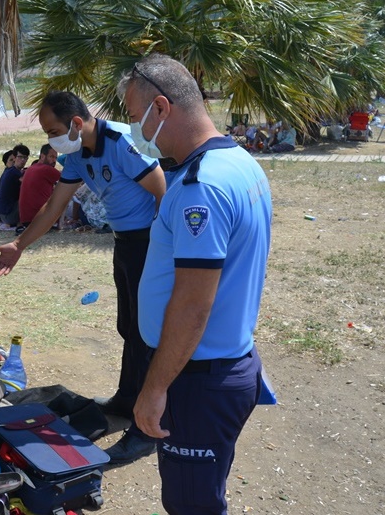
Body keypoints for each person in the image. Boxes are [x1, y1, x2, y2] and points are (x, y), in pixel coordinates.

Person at [118, 53, 272, 514]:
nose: (135, 131)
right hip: (221, 367)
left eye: (133, 117)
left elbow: (192, 305)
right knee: (203, 495)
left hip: (197, 379)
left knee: (192, 505)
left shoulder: (199, 188)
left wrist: (154, 387)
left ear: (161, 108)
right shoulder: (238, 162)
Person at [0, 90, 166, 465]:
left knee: (148, 333)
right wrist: (19, 244)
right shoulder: (75, 155)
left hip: (149, 243)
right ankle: (127, 397)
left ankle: (148, 428)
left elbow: (162, 189)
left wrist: (164, 249)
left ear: (77, 122)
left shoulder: (119, 142)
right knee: (129, 327)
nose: (51, 138)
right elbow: (54, 207)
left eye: (54, 129)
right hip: (125, 244)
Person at [18, 144, 61, 229]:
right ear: (42, 156)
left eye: (55, 158)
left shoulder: (31, 168)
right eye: (51, 157)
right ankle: (62, 224)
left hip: (26, 220)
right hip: (40, 220)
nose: (54, 160)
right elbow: (69, 181)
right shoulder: (46, 169)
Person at [0, 145, 29, 231]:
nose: (22, 160)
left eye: (25, 158)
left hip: (3, 215)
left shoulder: (11, 171)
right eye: (20, 157)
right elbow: (29, 185)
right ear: (14, 158)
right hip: (8, 216)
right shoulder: (14, 173)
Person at [0, 150, 16, 227]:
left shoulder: (9, 172)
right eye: (11, 160)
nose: (14, 162)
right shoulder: (11, 174)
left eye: (15, 159)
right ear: (6, 163)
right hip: (1, 211)